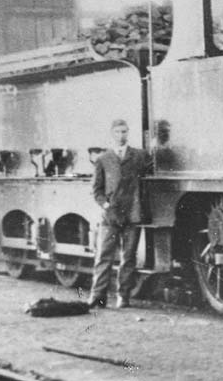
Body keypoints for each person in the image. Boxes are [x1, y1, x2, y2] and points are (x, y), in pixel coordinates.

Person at [87, 119, 153, 309]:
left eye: (124, 132)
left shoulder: (139, 156)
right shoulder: (103, 159)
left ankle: (123, 296)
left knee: (128, 257)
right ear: (112, 134)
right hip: (110, 216)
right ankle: (97, 296)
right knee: (103, 257)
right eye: (117, 132)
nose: (121, 135)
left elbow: (150, 171)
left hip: (132, 214)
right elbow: (96, 190)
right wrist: (106, 205)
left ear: (128, 133)